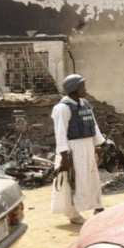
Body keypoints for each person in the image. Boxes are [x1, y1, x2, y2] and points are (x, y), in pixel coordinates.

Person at [51, 74, 106, 225]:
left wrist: (98, 146)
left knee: (93, 178)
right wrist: (64, 156)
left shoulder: (85, 104)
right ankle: (72, 213)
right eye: (82, 86)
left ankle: (98, 207)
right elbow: (61, 133)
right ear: (74, 88)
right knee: (74, 181)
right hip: (73, 148)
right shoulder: (62, 108)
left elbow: (94, 125)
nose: (85, 89)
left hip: (88, 145)